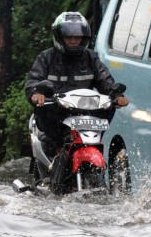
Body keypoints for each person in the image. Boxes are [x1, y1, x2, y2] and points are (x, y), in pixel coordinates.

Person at [25, 12, 128, 148]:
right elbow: (33, 80)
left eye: (77, 37)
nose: (73, 41)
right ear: (59, 37)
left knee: (109, 108)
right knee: (47, 119)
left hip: (86, 112)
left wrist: (116, 95)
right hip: (56, 112)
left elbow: (105, 79)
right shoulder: (46, 58)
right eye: (69, 37)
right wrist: (36, 93)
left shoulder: (91, 58)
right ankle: (54, 149)